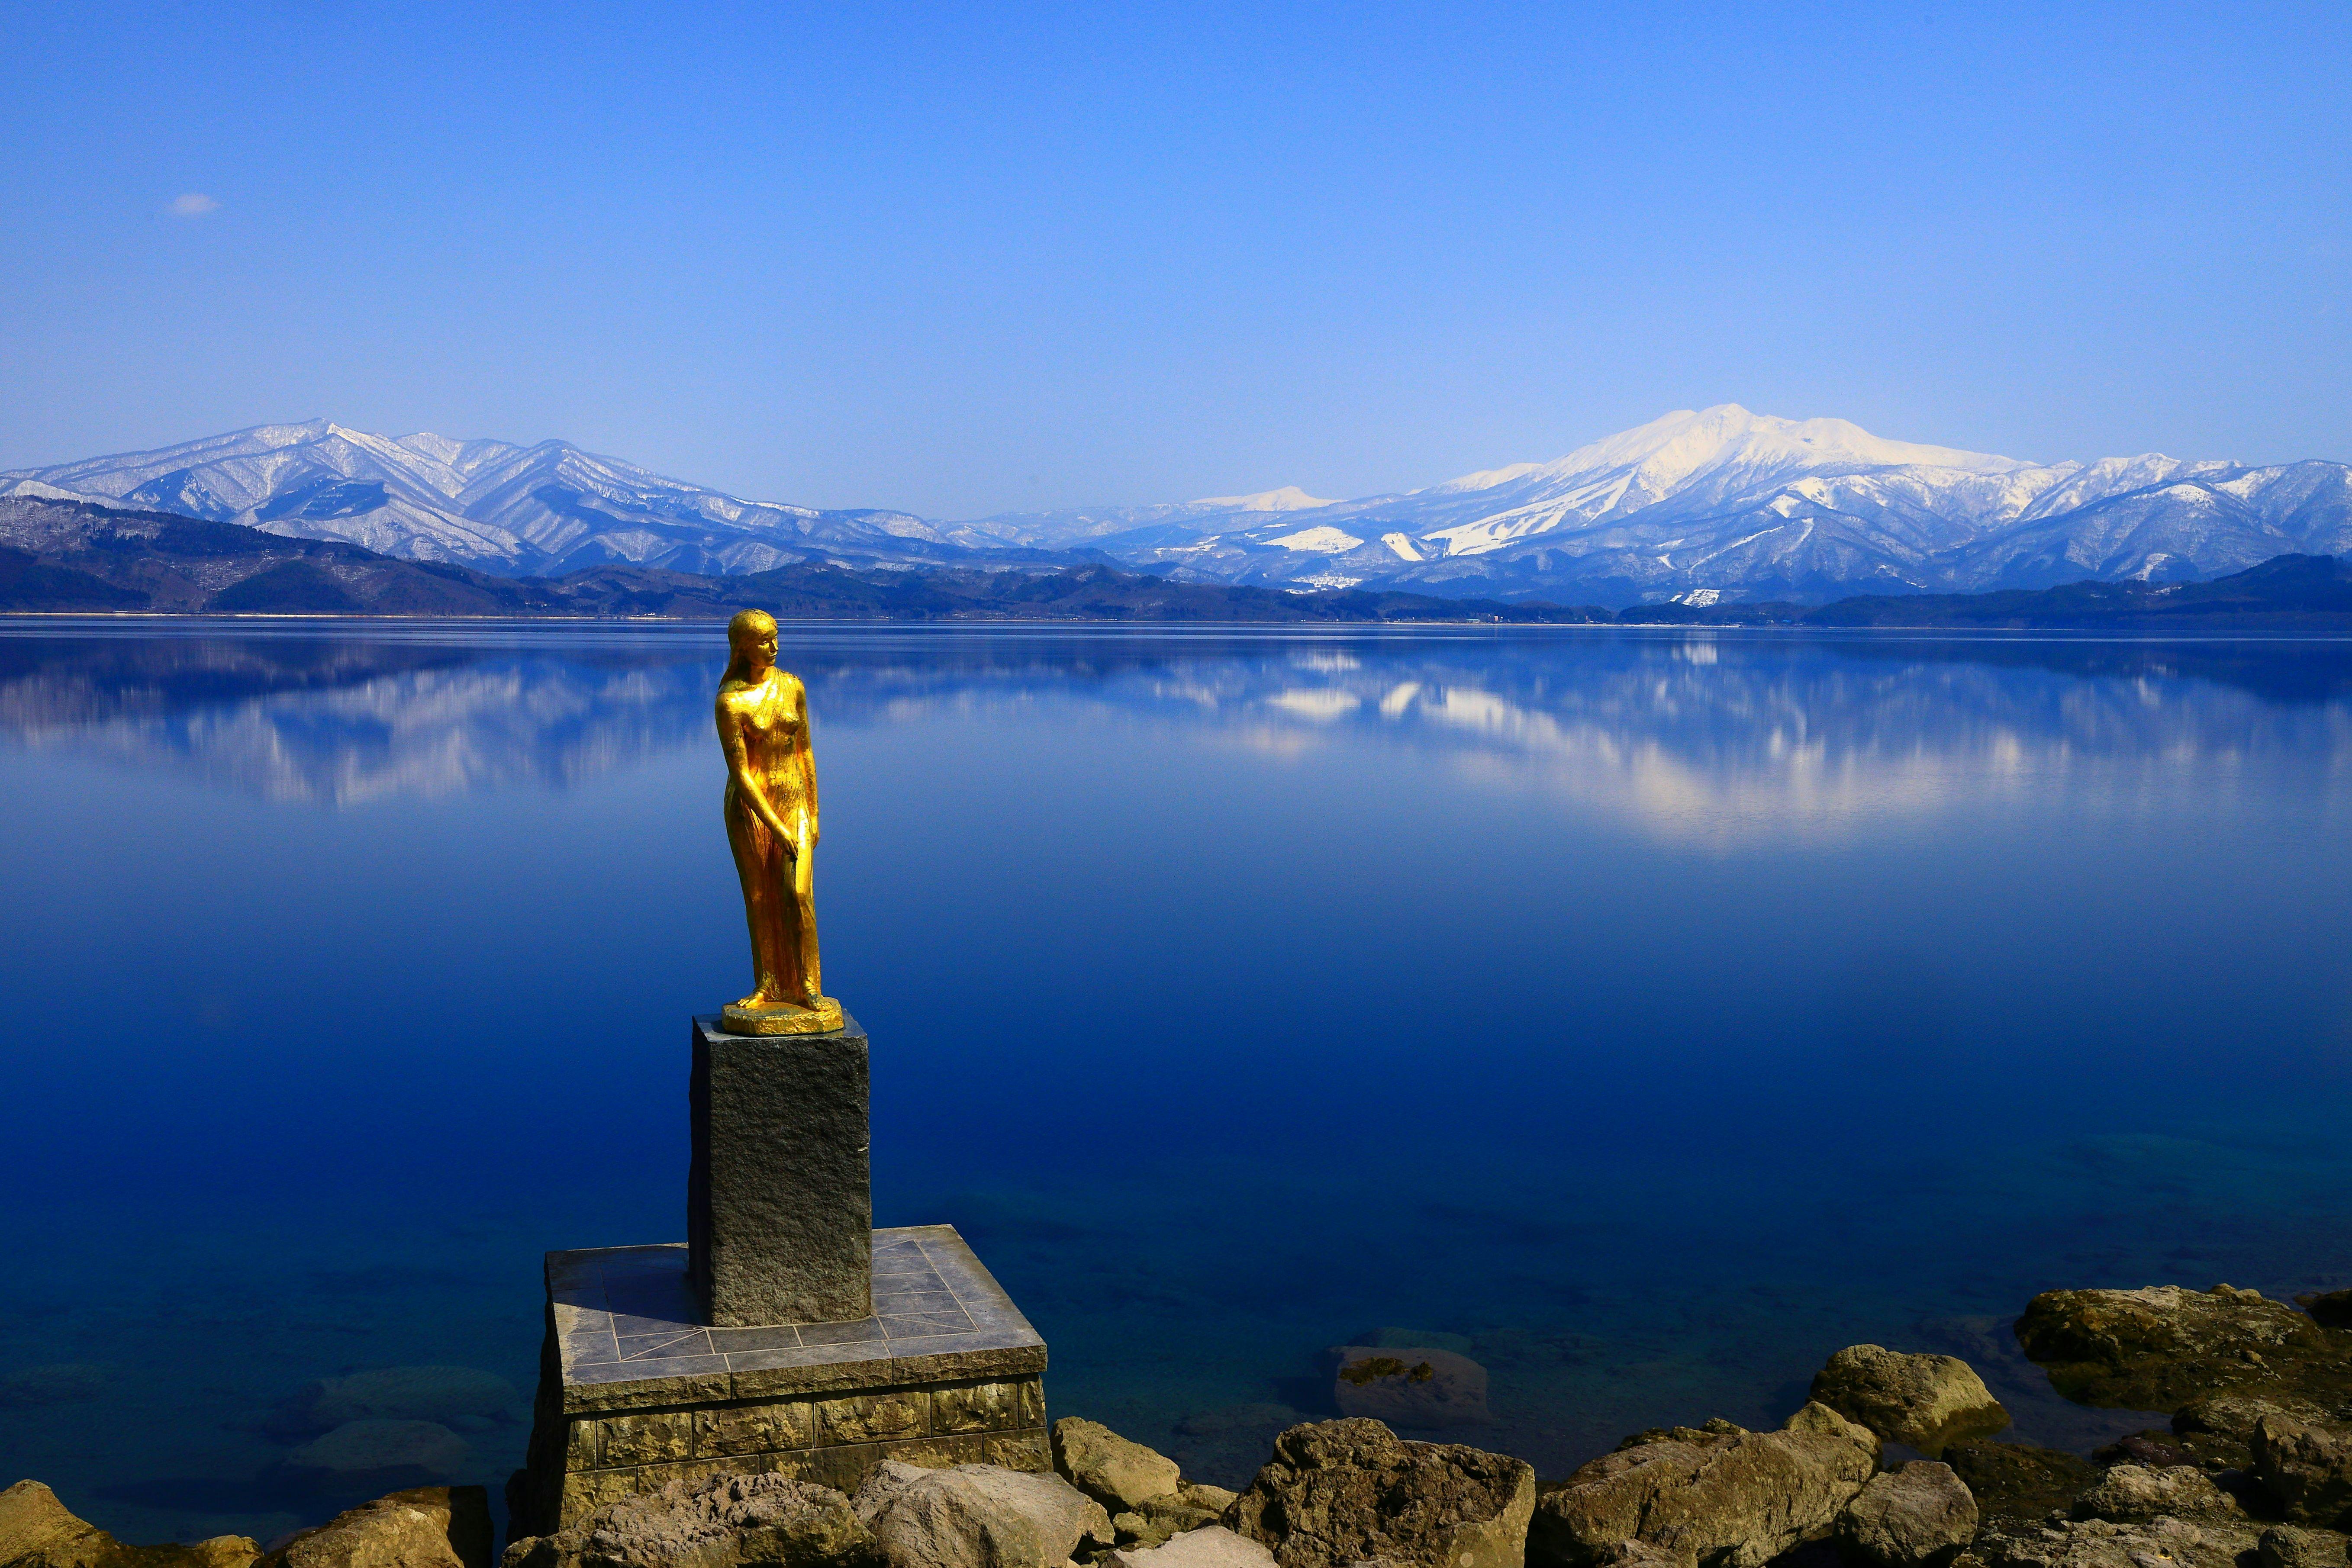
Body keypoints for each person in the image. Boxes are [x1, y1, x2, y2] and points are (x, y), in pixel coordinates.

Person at [714, 609, 828, 1023]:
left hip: (794, 798)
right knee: (760, 897)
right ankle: (768, 983)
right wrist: (775, 827)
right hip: (751, 810)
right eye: (764, 641)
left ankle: (809, 984)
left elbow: (807, 752)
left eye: (777, 637)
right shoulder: (730, 701)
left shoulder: (793, 686)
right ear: (743, 647)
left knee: (798, 893)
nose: (774, 647)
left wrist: (813, 814)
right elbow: (741, 775)